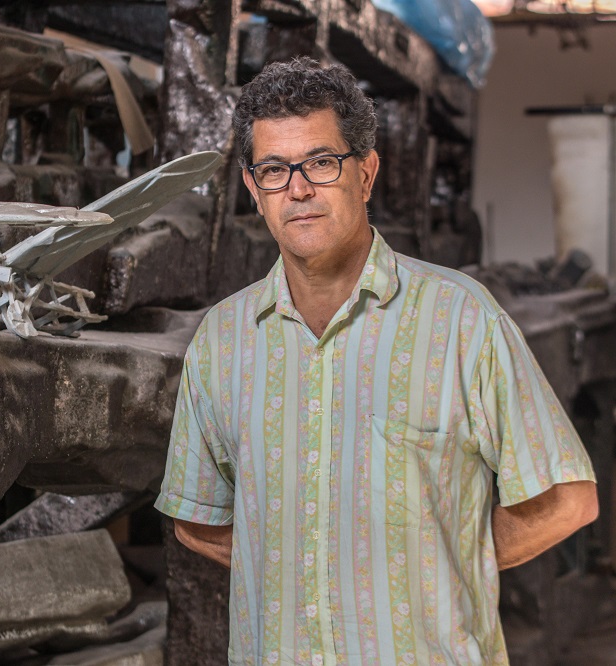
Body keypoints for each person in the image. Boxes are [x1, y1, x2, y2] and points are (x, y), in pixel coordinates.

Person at [154, 57, 598, 665]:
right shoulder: (222, 340)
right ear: (254, 190)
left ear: (366, 174)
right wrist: (308, 570)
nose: (299, 189)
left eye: (321, 162)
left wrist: (439, 568)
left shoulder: (460, 319)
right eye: (275, 170)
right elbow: (196, 518)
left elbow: (566, 500)